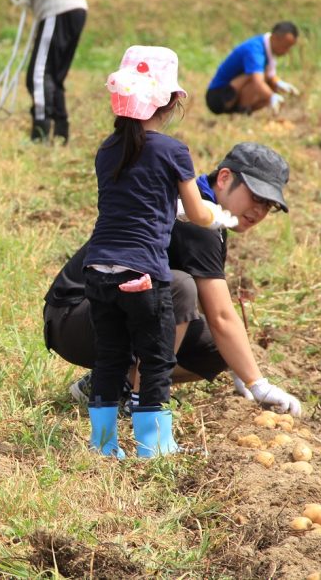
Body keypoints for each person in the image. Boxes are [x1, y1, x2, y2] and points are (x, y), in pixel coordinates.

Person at [45, 142, 303, 425]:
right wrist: (257, 382)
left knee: (217, 351)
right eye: (255, 195)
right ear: (225, 177)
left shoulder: (207, 211)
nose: (259, 210)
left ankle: (115, 381)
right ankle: (143, 403)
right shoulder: (198, 220)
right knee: (179, 287)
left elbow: (213, 311)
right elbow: (219, 315)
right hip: (74, 315)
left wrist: (238, 366)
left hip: (102, 311)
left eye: (268, 204)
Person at [83, 46, 237, 459]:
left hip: (97, 268)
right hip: (143, 273)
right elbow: (195, 212)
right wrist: (217, 216)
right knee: (154, 358)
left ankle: (103, 444)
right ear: (171, 102)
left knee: (110, 356)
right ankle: (153, 445)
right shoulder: (172, 151)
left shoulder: (106, 149)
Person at [13, 0, 87, 144]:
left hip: (57, 8)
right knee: (54, 76)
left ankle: (41, 133)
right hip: (76, 8)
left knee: (38, 76)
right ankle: (61, 133)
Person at [206, 21, 300, 116]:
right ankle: (241, 110)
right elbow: (258, 81)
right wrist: (272, 97)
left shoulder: (267, 50)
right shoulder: (255, 50)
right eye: (285, 46)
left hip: (233, 91)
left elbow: (271, 77)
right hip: (218, 96)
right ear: (275, 38)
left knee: (271, 83)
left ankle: (242, 110)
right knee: (259, 77)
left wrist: (280, 84)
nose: (287, 51)